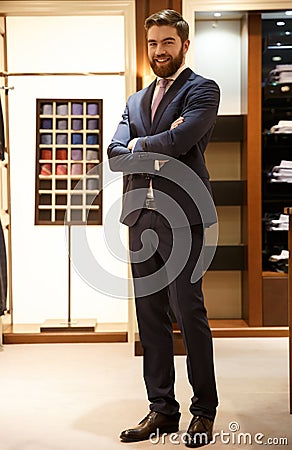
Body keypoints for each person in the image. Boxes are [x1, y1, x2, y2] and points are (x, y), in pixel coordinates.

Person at [107, 9, 220, 448]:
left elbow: (180, 141)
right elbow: (116, 156)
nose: (159, 51)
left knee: (189, 315)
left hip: (184, 215)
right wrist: (147, 145)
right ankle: (161, 410)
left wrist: (139, 144)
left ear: (184, 45)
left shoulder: (202, 90)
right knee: (151, 319)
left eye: (167, 43)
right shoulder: (135, 100)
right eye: (153, 44)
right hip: (140, 219)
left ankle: (203, 412)